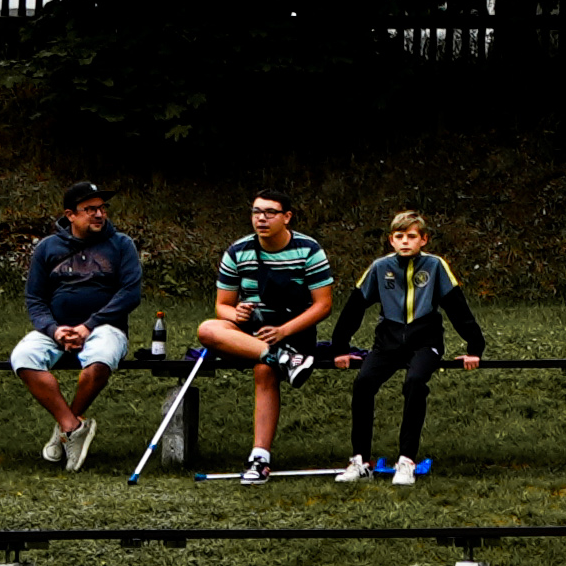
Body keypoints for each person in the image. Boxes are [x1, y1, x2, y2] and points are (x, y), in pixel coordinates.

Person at [339, 209, 485, 483]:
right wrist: (339, 347)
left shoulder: (435, 266)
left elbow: (458, 309)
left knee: (414, 382)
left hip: (425, 342)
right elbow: (354, 307)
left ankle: (406, 460)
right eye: (399, 236)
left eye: (411, 236)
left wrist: (475, 347)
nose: (405, 241)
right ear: (391, 240)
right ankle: (360, 461)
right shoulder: (380, 268)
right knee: (363, 383)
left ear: (424, 240)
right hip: (387, 344)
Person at [200, 192, 336, 483]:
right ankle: (284, 359)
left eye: (270, 212)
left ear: (287, 216)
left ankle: (259, 458)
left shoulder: (308, 249)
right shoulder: (238, 251)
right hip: (251, 333)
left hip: (294, 331)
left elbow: (323, 304)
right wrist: (235, 314)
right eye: (256, 212)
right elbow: (222, 305)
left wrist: (284, 331)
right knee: (207, 329)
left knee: (264, 370)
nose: (261, 218)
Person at [11, 181, 144, 462]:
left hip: (105, 328)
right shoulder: (48, 248)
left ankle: (63, 429)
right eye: (90, 209)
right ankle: (72, 426)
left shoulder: (121, 245)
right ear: (70, 215)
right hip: (56, 328)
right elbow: (35, 298)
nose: (99, 214)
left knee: (99, 364)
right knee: (23, 357)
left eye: (102, 208)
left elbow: (130, 294)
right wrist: (54, 329)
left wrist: (88, 326)